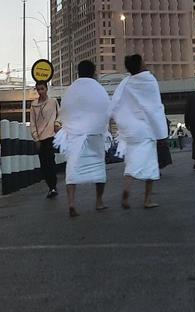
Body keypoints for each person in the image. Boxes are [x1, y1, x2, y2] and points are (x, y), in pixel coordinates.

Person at [109, 54, 168, 209]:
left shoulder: (126, 83)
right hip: (146, 130)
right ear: (140, 64)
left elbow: (115, 104)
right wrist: (161, 132)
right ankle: (147, 200)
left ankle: (127, 191)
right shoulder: (149, 80)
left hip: (131, 131)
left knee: (131, 165)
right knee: (150, 166)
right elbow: (155, 107)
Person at [55, 60, 111, 217]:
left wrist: (71, 126)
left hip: (75, 135)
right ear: (93, 72)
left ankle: (71, 203)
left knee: (72, 169)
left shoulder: (71, 90)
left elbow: (65, 110)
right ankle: (99, 201)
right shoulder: (98, 89)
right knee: (99, 168)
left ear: (78, 72)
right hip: (94, 134)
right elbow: (106, 109)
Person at [30, 80, 61, 199]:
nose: (40, 91)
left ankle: (53, 187)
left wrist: (57, 123)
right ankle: (50, 186)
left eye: (42, 89)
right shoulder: (33, 105)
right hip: (40, 138)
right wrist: (36, 138)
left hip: (51, 136)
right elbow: (32, 123)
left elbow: (60, 114)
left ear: (46, 89)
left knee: (50, 161)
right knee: (43, 164)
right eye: (38, 89)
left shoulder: (53, 102)